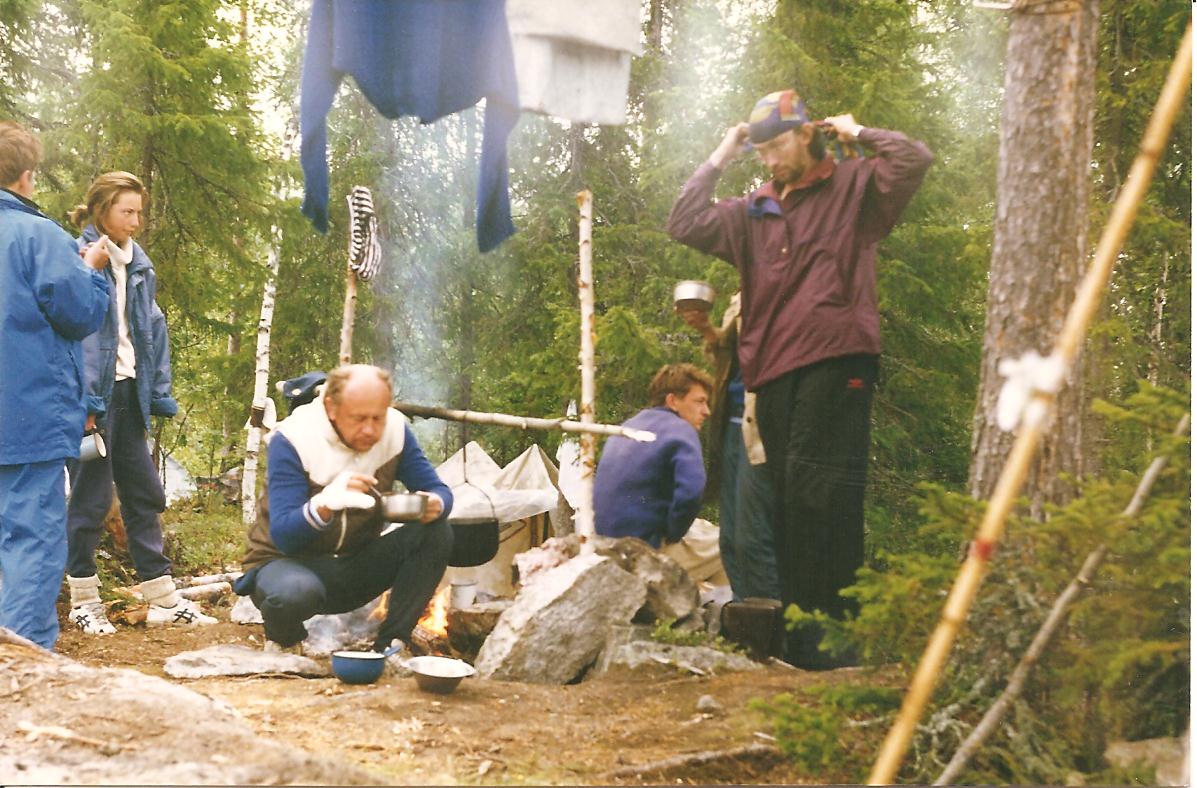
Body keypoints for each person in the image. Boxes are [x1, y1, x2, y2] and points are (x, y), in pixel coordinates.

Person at [667, 89, 933, 668]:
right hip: (772, 376)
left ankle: (835, 651)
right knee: (787, 507)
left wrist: (857, 131)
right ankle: (800, 647)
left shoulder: (855, 188)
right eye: (760, 150)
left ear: (807, 133)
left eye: (778, 145)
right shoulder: (753, 211)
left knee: (825, 501)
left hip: (837, 361)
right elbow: (683, 220)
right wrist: (723, 152)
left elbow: (913, 159)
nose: (769, 159)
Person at [64, 171, 214, 634]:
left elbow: (154, 331)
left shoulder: (139, 265)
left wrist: (158, 393)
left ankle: (163, 597)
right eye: (126, 211)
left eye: (139, 212)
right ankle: (83, 600)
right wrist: (86, 400)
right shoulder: (77, 258)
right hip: (93, 399)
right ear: (101, 210)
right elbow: (75, 335)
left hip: (130, 392)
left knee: (143, 493)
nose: (136, 221)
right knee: (90, 499)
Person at [232, 364, 454, 653]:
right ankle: (286, 640)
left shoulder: (395, 431)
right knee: (293, 594)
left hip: (353, 564)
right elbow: (285, 536)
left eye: (378, 417)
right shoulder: (293, 438)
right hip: (287, 565)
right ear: (331, 407)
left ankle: (391, 644)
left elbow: (438, 490)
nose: (370, 429)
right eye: (358, 418)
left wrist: (437, 503)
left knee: (436, 532)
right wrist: (323, 505)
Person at [0, 121, 111, 649]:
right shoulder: (39, 237)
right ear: (26, 175)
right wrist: (91, 269)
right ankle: (20, 669)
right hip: (25, 418)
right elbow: (79, 313)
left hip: (22, 415)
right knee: (31, 541)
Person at [678, 293, 779, 602]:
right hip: (731, 423)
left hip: (762, 426)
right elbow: (728, 362)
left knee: (754, 536)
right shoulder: (740, 297)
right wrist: (707, 329)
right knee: (730, 538)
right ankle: (743, 611)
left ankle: (770, 619)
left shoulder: (782, 288)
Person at [594, 363, 712, 549]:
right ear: (672, 401)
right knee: (731, 547)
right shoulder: (681, 429)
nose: (706, 411)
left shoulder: (626, 427)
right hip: (644, 548)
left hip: (604, 543)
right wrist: (672, 535)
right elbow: (691, 493)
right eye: (699, 401)